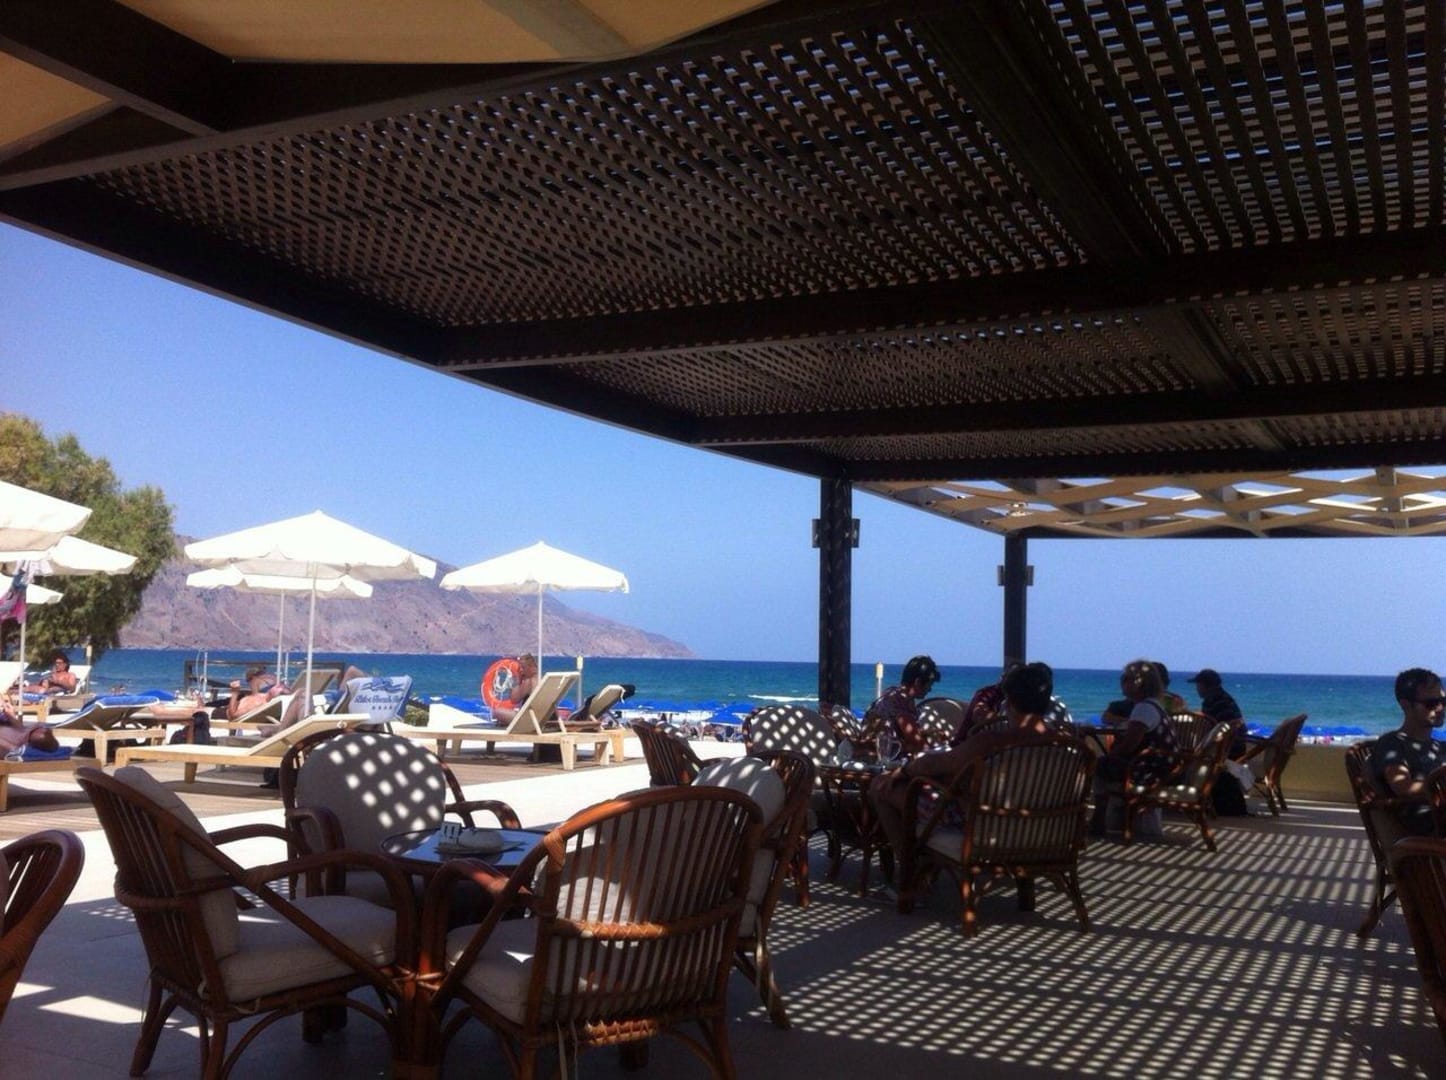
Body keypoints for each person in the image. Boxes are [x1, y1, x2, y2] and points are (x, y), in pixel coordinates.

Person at [868, 662, 1057, 875]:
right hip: (1043, 832)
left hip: (984, 825)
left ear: (1010, 702)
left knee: (881, 785)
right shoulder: (1065, 745)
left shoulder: (991, 742)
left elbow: (935, 764)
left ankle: (910, 872)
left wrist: (902, 771)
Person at [1090, 659, 1177, 836]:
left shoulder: (1143, 708)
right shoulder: (1154, 704)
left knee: (1099, 765)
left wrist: (1110, 755)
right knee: (1105, 763)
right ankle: (1109, 817)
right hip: (1163, 767)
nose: (1122, 683)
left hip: (1149, 770)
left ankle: (1099, 819)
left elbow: (1129, 746)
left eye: (1126, 679)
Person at [1369, 667, 1446, 836]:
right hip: (1430, 832)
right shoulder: (1392, 744)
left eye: (1443, 701)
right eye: (1431, 703)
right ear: (1406, 705)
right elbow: (1404, 787)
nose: (1441, 708)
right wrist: (1440, 788)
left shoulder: (1440, 747)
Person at [861, 655, 941, 760]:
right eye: (929, 685)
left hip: (880, 754)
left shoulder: (893, 693)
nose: (930, 689)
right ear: (917, 682)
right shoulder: (898, 701)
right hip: (882, 759)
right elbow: (918, 742)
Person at [1189, 668, 1246, 755]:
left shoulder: (1213, 701)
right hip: (1236, 745)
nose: (1196, 688)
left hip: (1226, 749)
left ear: (1205, 686)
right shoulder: (1223, 698)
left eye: (1198, 685)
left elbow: (1209, 724)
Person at [489, 653, 538, 724]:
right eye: (520, 668)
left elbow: (514, 699)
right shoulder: (541, 680)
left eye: (523, 667)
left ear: (532, 667)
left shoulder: (529, 682)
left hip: (528, 720)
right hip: (541, 718)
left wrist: (518, 680)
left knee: (497, 712)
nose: (521, 670)